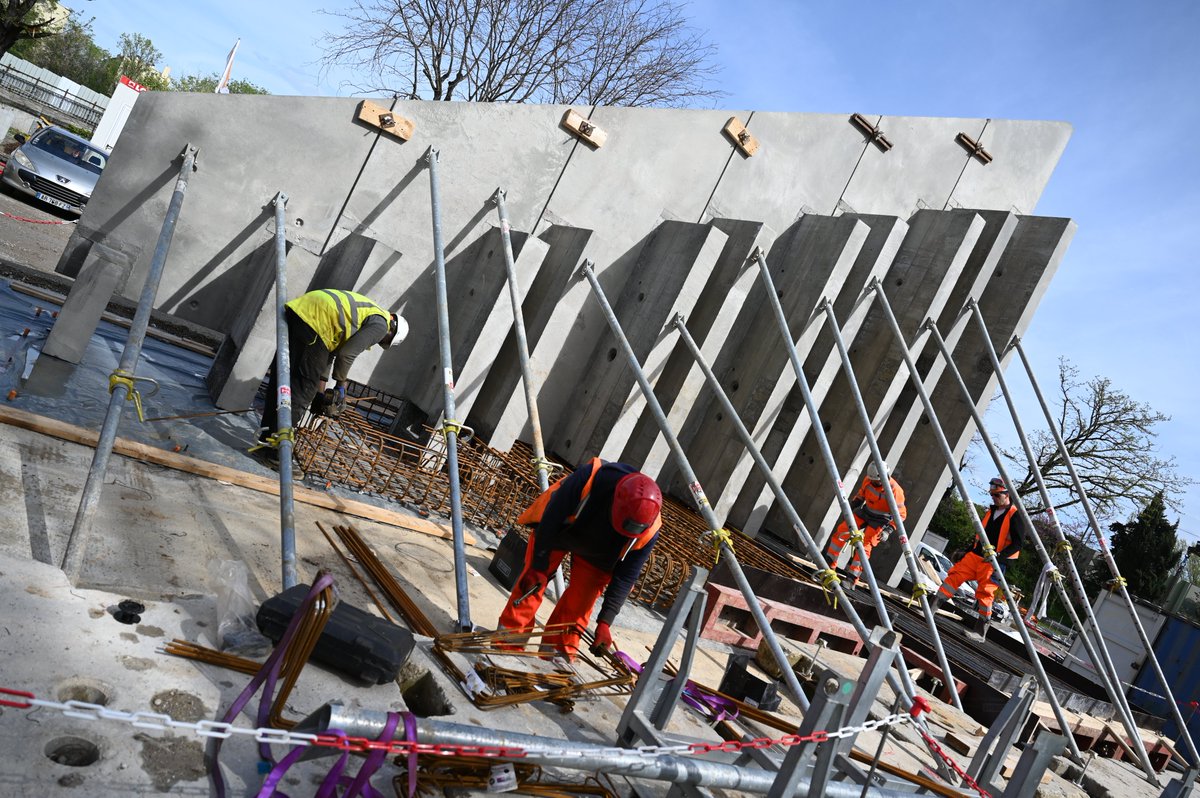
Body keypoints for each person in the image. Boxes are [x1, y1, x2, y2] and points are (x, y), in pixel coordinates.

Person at [497, 458, 662, 660]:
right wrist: (538, 567)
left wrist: (605, 622)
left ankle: (554, 662)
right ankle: (505, 648)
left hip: (600, 555)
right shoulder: (590, 478)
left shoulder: (650, 529)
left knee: (578, 609)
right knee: (530, 588)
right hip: (560, 531)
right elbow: (550, 520)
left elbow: (626, 577)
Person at [256, 289, 406, 469]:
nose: (378, 342)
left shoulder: (368, 313)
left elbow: (328, 354)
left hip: (303, 312)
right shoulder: (381, 325)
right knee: (302, 392)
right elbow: (346, 355)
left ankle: (265, 442)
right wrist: (341, 388)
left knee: (284, 381)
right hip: (316, 323)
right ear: (392, 332)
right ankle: (277, 454)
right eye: (383, 342)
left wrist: (320, 393)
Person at [931, 477, 1025, 636]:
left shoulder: (1015, 515)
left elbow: (1018, 544)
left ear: (1006, 494)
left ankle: (980, 632)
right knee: (953, 577)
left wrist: (1000, 557)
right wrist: (967, 551)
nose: (993, 498)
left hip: (994, 562)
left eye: (997, 495)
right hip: (975, 555)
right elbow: (980, 536)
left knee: (985, 594)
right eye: (992, 495)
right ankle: (930, 609)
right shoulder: (991, 511)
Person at [822, 461, 907, 589]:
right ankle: (829, 566)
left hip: (880, 520)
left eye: (876, 481)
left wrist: (888, 531)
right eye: (872, 480)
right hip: (866, 512)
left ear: (884, 476)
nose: (874, 483)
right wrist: (851, 507)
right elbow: (860, 495)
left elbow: (901, 515)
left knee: (864, 546)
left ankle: (851, 579)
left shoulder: (895, 491)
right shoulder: (868, 479)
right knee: (842, 531)